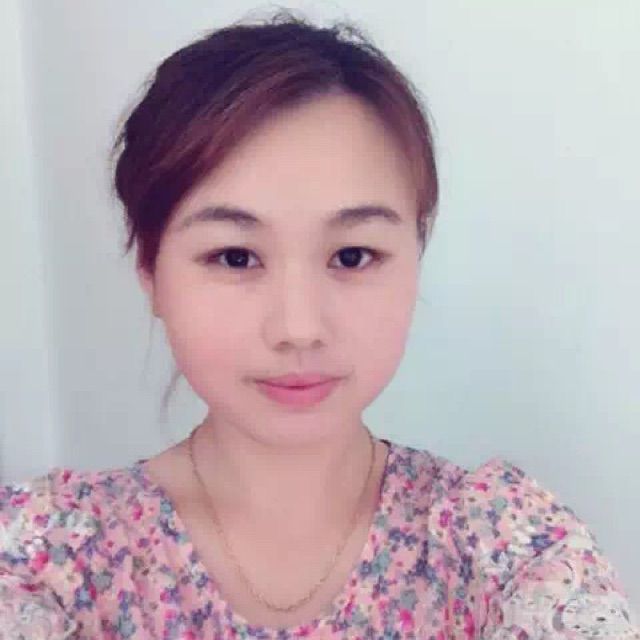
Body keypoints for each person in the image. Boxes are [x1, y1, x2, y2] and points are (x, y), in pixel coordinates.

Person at [0, 9, 637, 640]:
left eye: (352, 256)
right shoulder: (46, 559)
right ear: (150, 270)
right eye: (235, 257)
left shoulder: (508, 548)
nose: (299, 328)